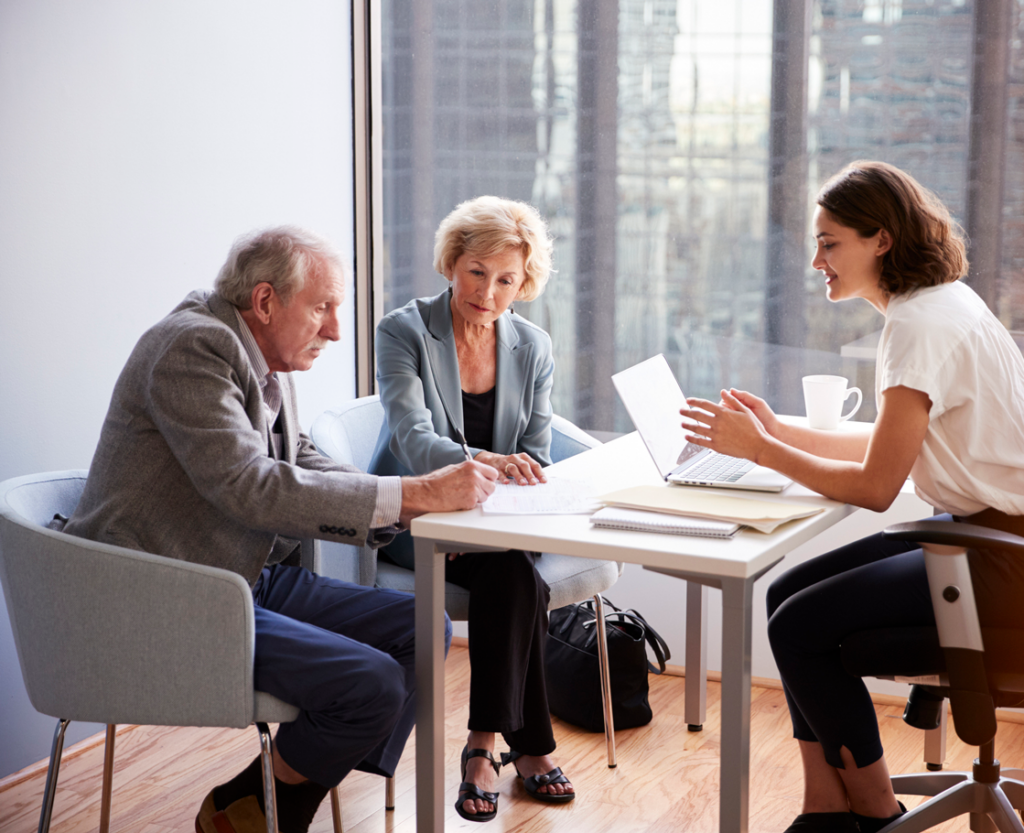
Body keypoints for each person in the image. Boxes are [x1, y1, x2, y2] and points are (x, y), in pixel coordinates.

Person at [65, 227, 499, 833]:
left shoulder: (257, 351)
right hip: (164, 592)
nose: (336, 330)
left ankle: (260, 801)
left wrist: (409, 507)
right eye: (322, 308)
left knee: (425, 627)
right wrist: (411, 493)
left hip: (236, 575)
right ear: (266, 301)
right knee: (371, 684)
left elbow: (292, 454)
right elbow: (249, 483)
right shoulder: (192, 349)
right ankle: (265, 808)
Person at [680, 161, 1024, 833]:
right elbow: (895, 442)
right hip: (988, 533)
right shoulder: (941, 302)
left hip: (997, 556)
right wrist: (781, 430)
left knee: (798, 626)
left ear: (881, 240)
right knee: (783, 595)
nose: (816, 260)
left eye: (830, 242)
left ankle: (871, 810)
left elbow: (875, 485)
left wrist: (761, 449)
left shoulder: (917, 326)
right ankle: (825, 804)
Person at [371, 195, 574, 822]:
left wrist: (484, 513)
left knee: (508, 569)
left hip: (498, 522)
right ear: (452, 264)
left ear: (525, 283)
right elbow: (412, 438)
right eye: (477, 271)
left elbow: (535, 454)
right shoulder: (404, 331)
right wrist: (459, 501)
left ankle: (484, 749)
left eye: (507, 278)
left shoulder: (533, 347)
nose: (488, 291)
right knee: (516, 576)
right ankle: (529, 749)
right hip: (419, 513)